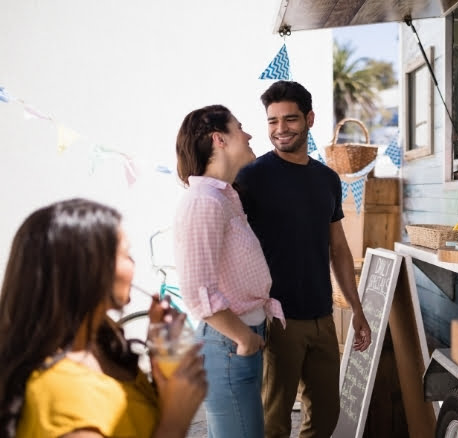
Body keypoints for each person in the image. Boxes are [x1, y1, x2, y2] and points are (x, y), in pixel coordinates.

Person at [0, 198, 206, 438]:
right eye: (125, 253)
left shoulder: (102, 344)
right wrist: (175, 422)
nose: (133, 263)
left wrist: (163, 356)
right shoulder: (62, 396)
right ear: (89, 270)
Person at [235, 80, 372, 438]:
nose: (281, 129)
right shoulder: (251, 178)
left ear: (310, 119)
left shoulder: (327, 178)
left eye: (290, 119)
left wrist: (356, 309)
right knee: (273, 422)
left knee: (326, 414)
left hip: (321, 315)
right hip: (275, 318)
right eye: (273, 121)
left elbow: (338, 249)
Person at [174, 104, 285, 437]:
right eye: (240, 127)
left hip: (239, 342)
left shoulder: (226, 197)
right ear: (219, 139)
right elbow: (197, 292)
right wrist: (243, 337)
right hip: (228, 346)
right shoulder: (204, 202)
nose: (250, 134)